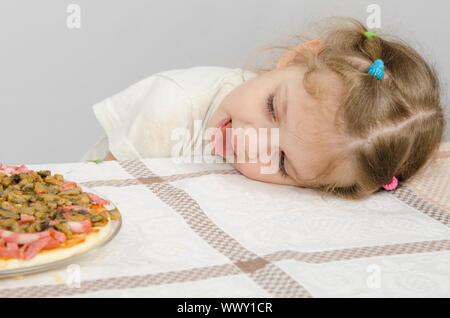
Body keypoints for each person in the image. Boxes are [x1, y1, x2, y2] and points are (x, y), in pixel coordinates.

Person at [82, 17, 446, 200]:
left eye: (283, 161)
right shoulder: (169, 104)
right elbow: (99, 196)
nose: (249, 140)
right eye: (272, 108)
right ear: (295, 58)